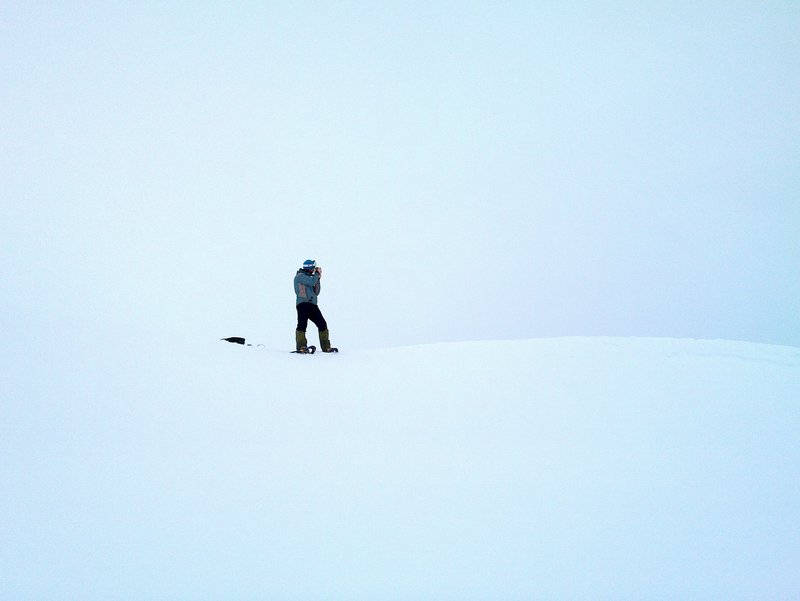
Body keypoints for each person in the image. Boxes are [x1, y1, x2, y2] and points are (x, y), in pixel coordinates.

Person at [293, 259, 336, 353]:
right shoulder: (300, 276)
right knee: (302, 324)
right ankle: (301, 346)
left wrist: (318, 278)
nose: (314, 270)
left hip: (312, 304)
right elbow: (312, 282)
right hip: (303, 304)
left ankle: (326, 347)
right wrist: (316, 275)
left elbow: (317, 292)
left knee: (322, 324)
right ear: (310, 267)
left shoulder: (311, 277)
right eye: (313, 267)